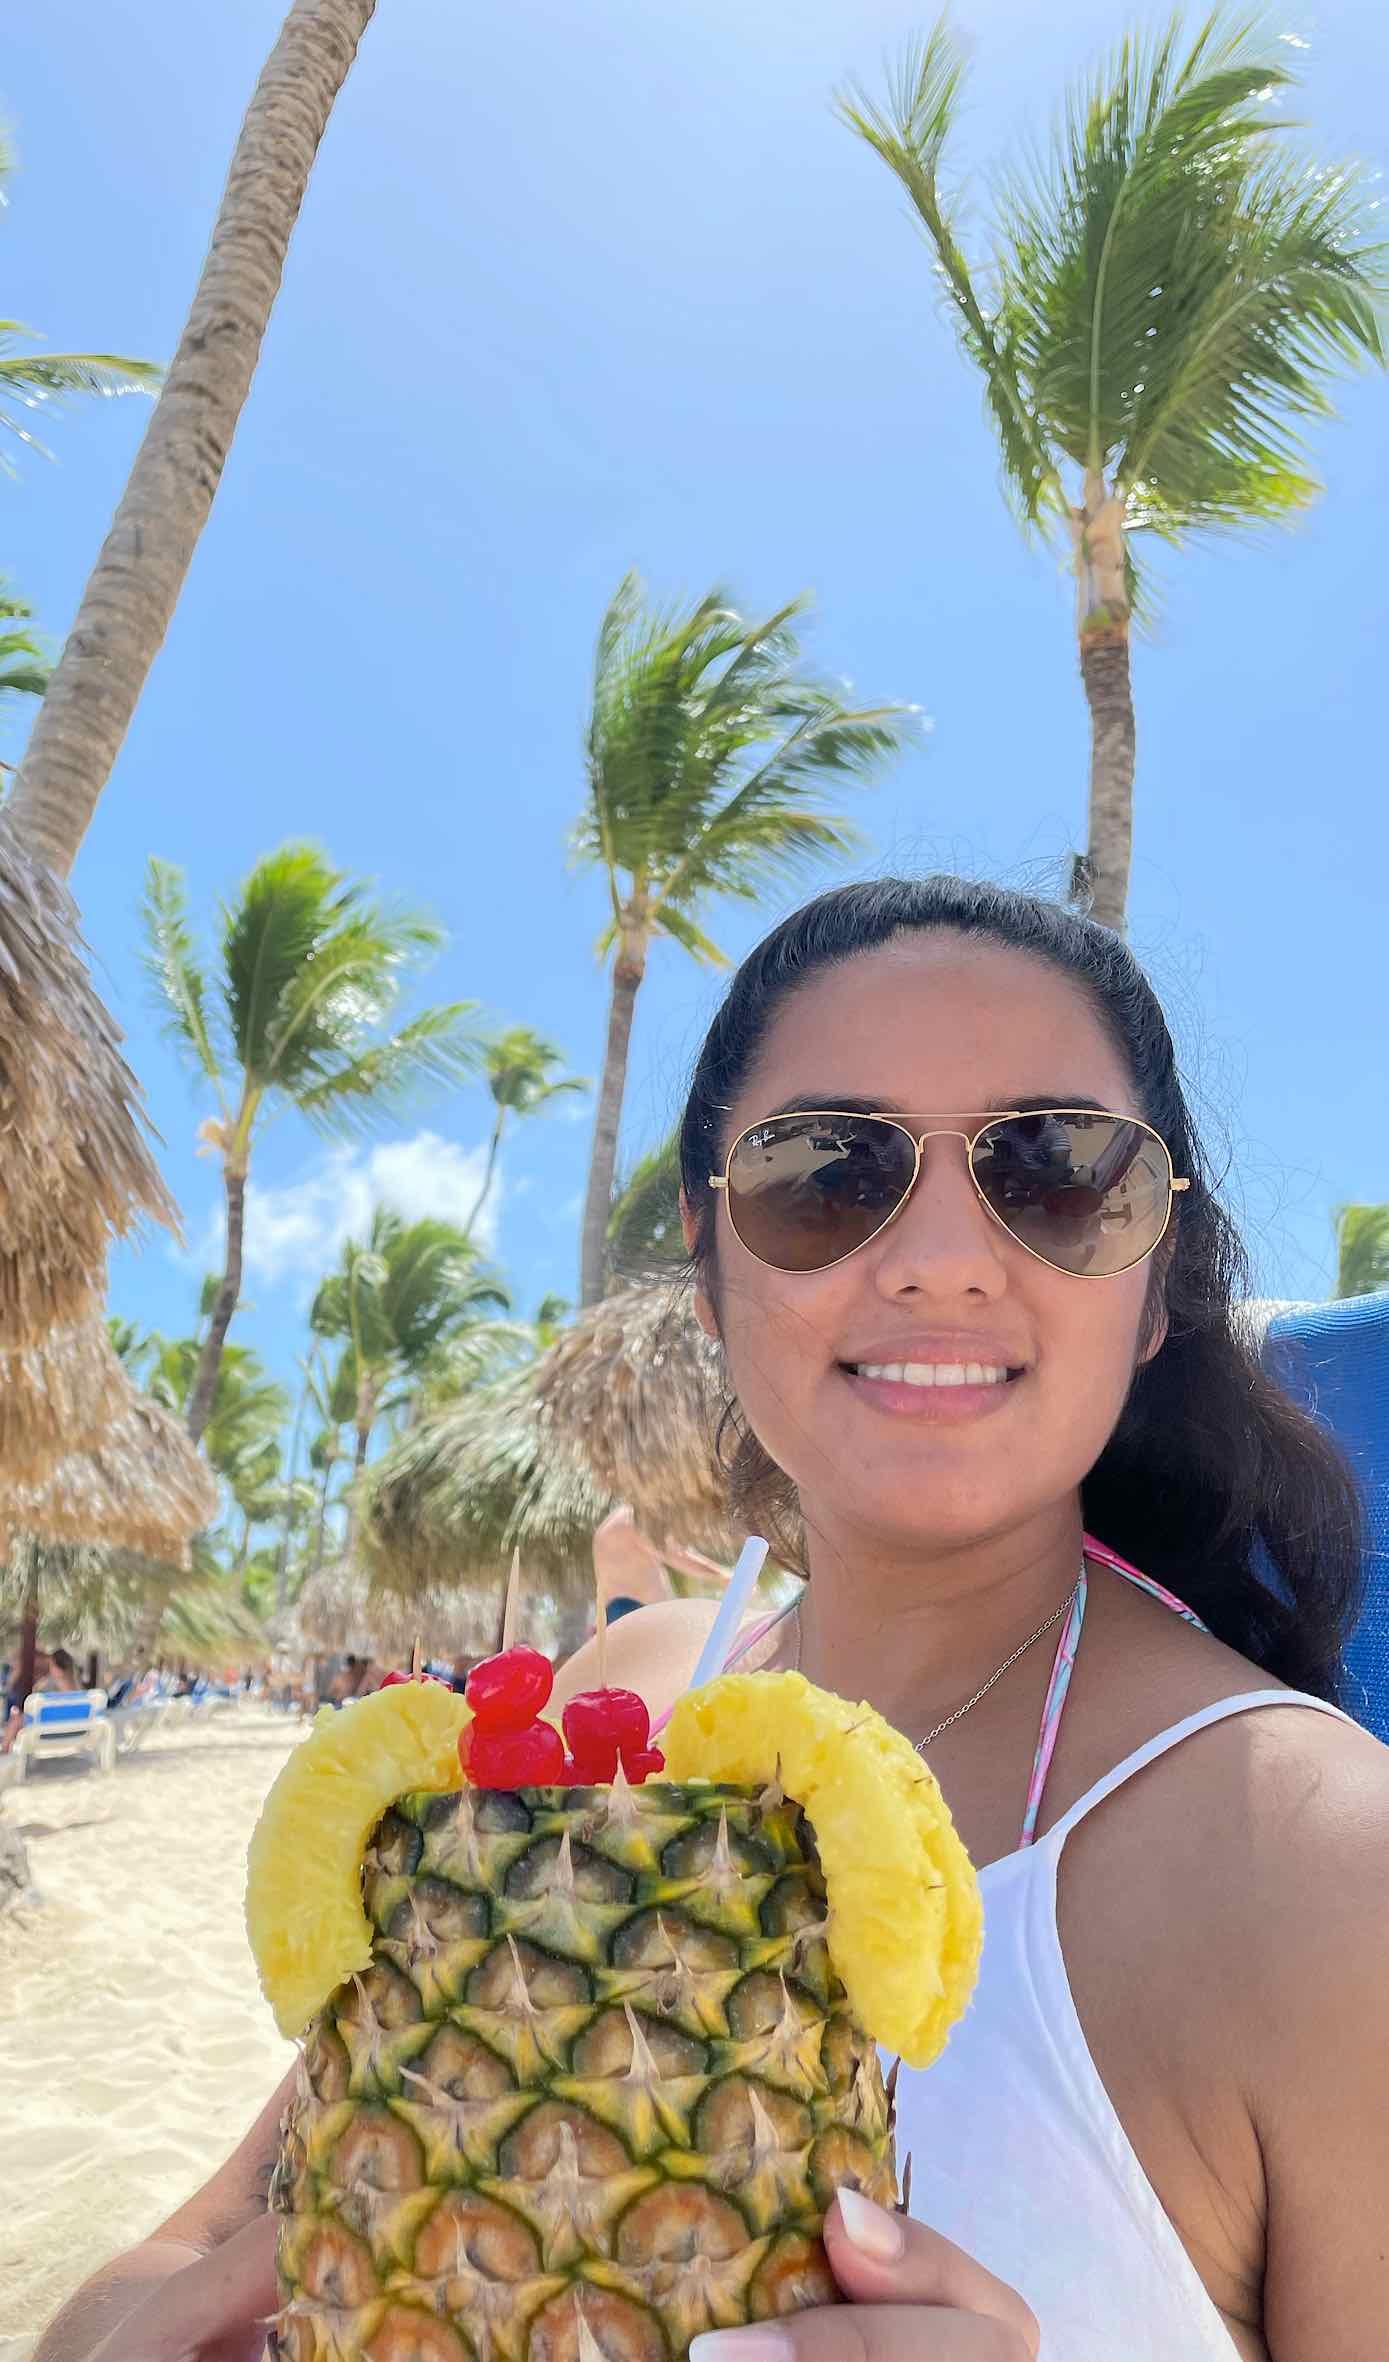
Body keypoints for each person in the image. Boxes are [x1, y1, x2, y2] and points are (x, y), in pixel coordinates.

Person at [32, 875, 1389, 2362]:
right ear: (707, 1259)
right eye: (828, 1172)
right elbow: (188, 2253)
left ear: (1154, 1285)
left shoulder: (1322, 1865)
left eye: (1061, 1171)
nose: (941, 1256)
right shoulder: (618, 1713)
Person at [592, 1500, 732, 1624]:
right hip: (635, 1614)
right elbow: (679, 1556)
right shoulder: (634, 1523)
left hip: (620, 1614)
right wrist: (722, 1575)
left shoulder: (616, 1520)